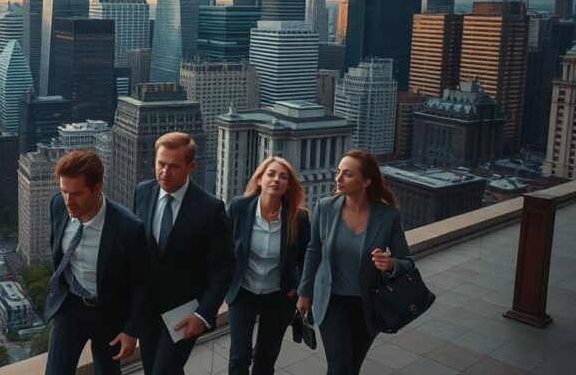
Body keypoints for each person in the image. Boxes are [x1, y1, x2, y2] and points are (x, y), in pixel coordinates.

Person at [296, 149, 414, 375]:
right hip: (332, 301)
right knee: (339, 366)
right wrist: (305, 292)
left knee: (352, 368)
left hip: (370, 305)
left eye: (347, 174)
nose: (338, 178)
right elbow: (314, 251)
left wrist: (390, 265)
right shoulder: (325, 207)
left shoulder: (388, 216)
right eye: (338, 172)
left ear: (367, 180)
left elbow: (406, 261)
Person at [132, 132, 235, 375]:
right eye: (161, 164)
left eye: (174, 166)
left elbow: (225, 267)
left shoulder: (210, 208)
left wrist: (203, 314)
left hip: (184, 314)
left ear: (191, 167)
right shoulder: (142, 192)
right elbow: (136, 250)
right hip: (147, 310)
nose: (165, 173)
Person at [45, 149, 150, 375]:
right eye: (64, 191)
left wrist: (132, 330)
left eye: (77, 194)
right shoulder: (58, 206)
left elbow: (143, 283)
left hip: (109, 312)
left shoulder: (128, 229)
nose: (68, 202)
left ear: (97, 188)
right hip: (70, 305)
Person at [225, 157, 310, 375]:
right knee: (239, 357)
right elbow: (222, 248)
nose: (277, 179)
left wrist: (300, 288)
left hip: (279, 295)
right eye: (271, 174)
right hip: (243, 292)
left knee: (265, 360)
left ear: (288, 186)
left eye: (283, 177)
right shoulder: (239, 207)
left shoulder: (297, 217)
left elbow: (307, 256)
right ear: (260, 179)